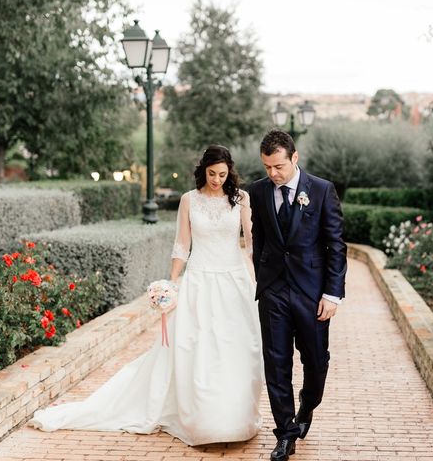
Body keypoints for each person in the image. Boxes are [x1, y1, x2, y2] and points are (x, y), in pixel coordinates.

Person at [30, 145, 263, 446]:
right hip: (199, 282)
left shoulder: (241, 199)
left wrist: (262, 279)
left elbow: (252, 243)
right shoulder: (188, 200)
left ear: (229, 172)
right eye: (211, 174)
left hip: (234, 281)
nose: (217, 179)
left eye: (222, 174)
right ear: (202, 171)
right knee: (198, 348)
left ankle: (235, 418)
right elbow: (182, 245)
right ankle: (203, 420)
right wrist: (171, 284)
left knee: (235, 348)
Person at [248, 129, 347, 461]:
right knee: (276, 363)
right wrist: (264, 278)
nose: (273, 174)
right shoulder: (258, 192)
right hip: (274, 291)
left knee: (316, 361)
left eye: (278, 166)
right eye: (267, 167)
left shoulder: (321, 191)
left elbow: (336, 246)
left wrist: (332, 294)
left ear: (295, 157)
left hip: (312, 293)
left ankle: (308, 404)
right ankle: (285, 433)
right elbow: (259, 240)